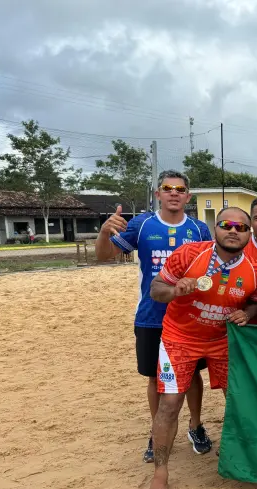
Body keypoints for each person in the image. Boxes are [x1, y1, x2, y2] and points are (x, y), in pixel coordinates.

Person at [146, 207, 257, 489]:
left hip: (223, 340)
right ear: (216, 228)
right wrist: (175, 291)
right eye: (227, 225)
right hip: (179, 337)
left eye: (241, 227)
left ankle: (239, 455)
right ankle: (160, 472)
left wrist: (247, 313)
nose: (233, 231)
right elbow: (155, 289)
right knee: (170, 404)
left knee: (237, 400)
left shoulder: (256, 268)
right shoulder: (190, 254)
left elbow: (256, 302)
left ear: (249, 234)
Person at [95, 170, 213, 462]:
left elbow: (212, 269)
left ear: (188, 196)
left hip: (189, 318)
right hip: (151, 316)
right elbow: (104, 255)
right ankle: (156, 432)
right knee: (155, 377)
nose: (174, 193)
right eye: (167, 188)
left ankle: (195, 426)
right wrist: (104, 232)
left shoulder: (199, 229)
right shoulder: (142, 224)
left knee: (193, 375)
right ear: (158, 194)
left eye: (180, 189)